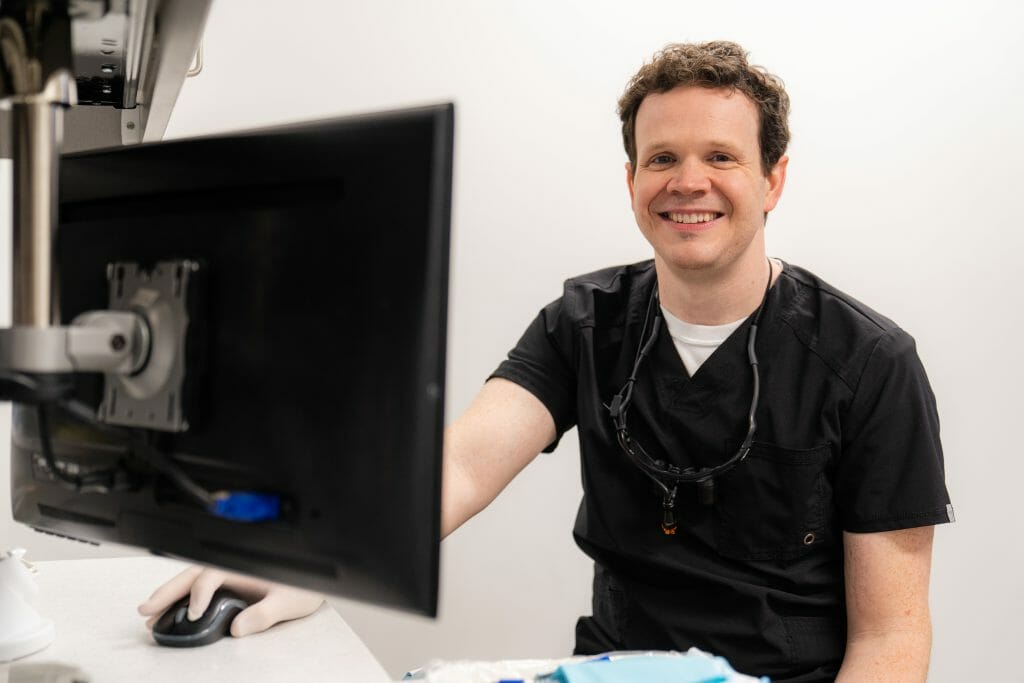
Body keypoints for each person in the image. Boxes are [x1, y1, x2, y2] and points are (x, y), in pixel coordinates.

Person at [139, 41, 953, 682]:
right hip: (610, 670)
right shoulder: (583, 322)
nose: (688, 182)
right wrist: (309, 558)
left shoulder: (871, 363)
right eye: (662, 158)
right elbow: (456, 466)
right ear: (631, 179)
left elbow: (892, 636)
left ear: (774, 178)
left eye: (722, 157)